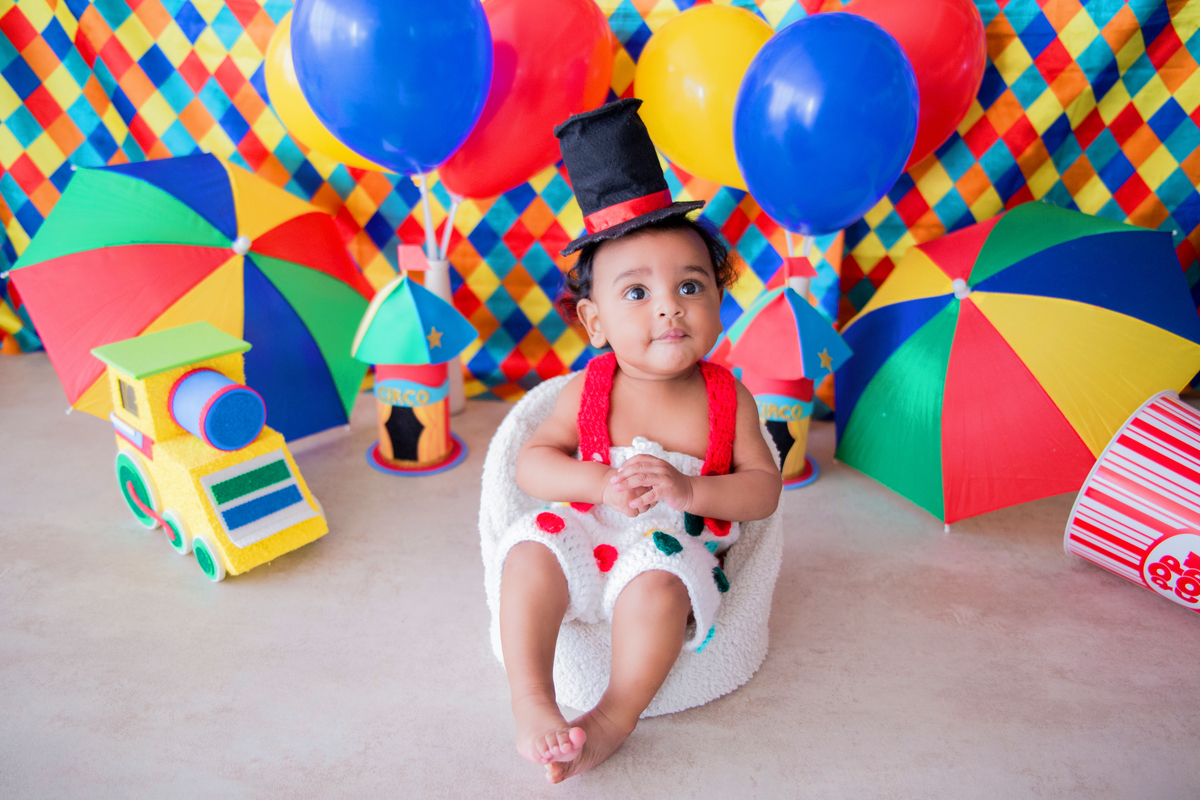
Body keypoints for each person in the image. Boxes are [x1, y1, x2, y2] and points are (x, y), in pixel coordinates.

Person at [493, 99, 783, 784]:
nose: (667, 306)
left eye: (690, 285)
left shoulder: (725, 398)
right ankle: (532, 699)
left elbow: (763, 490)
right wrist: (594, 484)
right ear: (593, 322)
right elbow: (531, 465)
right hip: (584, 546)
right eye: (636, 292)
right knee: (529, 548)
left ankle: (613, 715)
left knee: (656, 580)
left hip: (666, 557)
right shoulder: (589, 391)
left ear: (719, 298)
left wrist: (691, 489)